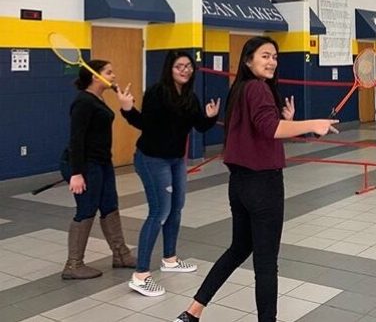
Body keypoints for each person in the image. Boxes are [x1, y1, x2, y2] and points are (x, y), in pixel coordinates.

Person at [173, 36, 339, 322]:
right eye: (265, 56)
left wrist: (289, 120)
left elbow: (263, 130)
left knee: (239, 248)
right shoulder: (258, 88)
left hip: (239, 186)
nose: (272, 61)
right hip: (263, 186)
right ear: (248, 60)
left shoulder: (240, 89)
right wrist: (312, 124)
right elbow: (269, 128)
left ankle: (192, 312)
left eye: (274, 56)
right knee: (266, 264)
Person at [117, 51, 220, 296]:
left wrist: (211, 118)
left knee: (176, 207)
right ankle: (140, 275)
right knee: (159, 211)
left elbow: (198, 126)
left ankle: (170, 259)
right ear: (169, 69)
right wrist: (127, 110)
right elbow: (143, 124)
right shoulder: (157, 93)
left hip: (175, 160)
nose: (185, 70)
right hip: (151, 159)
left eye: (188, 66)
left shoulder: (190, 97)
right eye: (179, 66)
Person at [60, 60, 136, 280]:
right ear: (95, 76)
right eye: (109, 72)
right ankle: (73, 265)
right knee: (86, 210)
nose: (113, 75)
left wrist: (125, 105)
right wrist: (76, 173)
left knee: (110, 205)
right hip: (85, 164)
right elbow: (76, 139)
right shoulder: (83, 101)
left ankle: (121, 255)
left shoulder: (98, 98)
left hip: (102, 162)